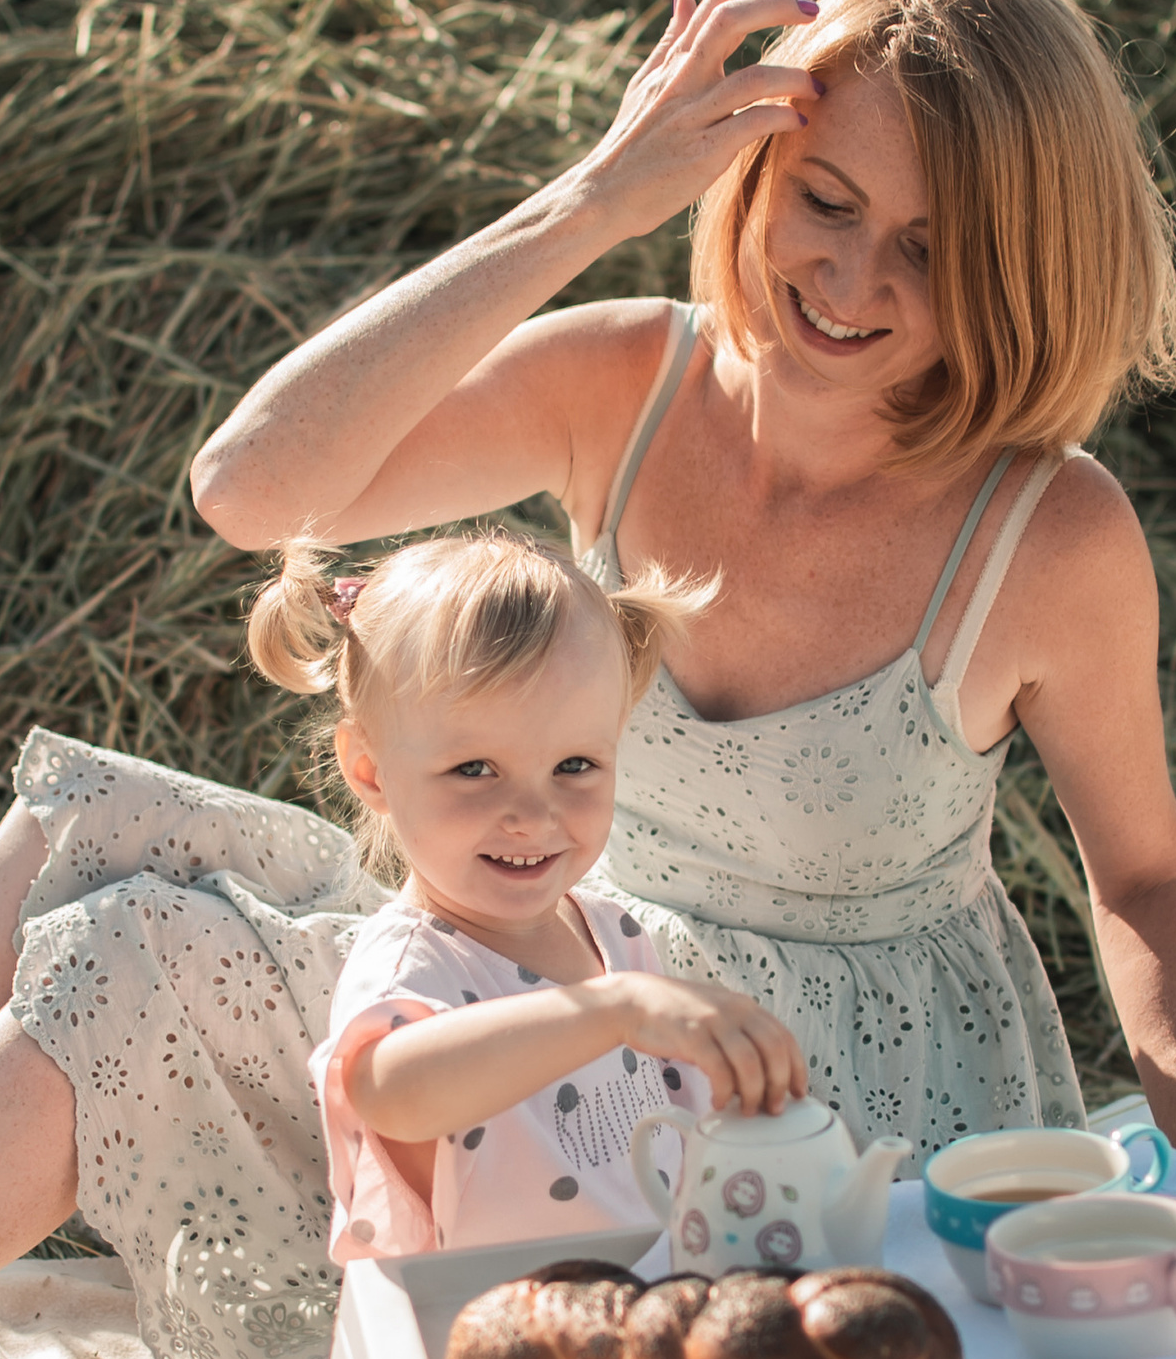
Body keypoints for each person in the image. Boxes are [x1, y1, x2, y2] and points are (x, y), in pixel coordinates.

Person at [0, 0, 1176, 1359]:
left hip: (790, 1115)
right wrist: (589, 200)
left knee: (137, 960)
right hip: (544, 951)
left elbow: (1151, 878)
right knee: (89, 835)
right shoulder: (633, 379)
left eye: (932, 250)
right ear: (753, 165)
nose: (847, 276)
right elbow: (253, 487)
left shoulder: (1054, 532)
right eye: (824, 196)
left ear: (1021, 271)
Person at [252, 530, 804, 1262]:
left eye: (574, 764)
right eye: (475, 768)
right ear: (371, 770)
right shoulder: (413, 965)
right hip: (483, 1337)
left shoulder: (614, 938)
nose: (534, 814)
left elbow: (671, 1143)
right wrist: (615, 1009)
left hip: (646, 1308)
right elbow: (390, 1088)